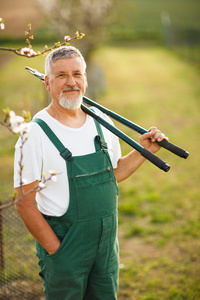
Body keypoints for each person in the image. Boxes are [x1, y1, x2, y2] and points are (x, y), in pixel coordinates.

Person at [14, 46, 167, 300]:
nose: (71, 82)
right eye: (61, 75)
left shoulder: (100, 118)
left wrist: (144, 150)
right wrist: (57, 252)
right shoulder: (34, 134)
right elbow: (23, 202)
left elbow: (113, 173)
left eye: (77, 74)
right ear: (48, 83)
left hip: (106, 245)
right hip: (65, 246)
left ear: (85, 79)